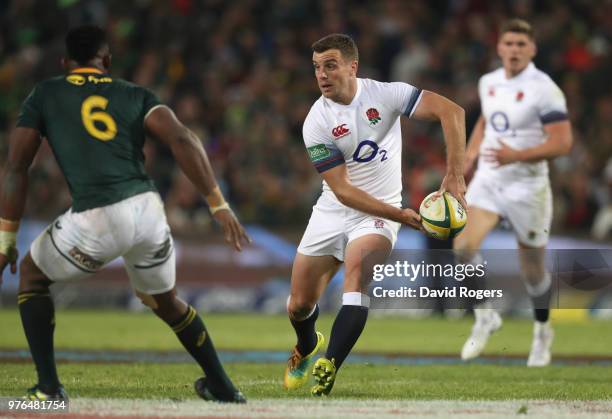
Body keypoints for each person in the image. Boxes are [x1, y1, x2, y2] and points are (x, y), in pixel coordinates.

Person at [0, 25, 250, 402]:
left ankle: (49, 388)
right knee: (166, 301)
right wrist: (219, 204)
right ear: (108, 62)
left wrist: (6, 238)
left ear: (65, 63)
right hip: (149, 210)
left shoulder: (47, 93)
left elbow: (17, 168)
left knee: (34, 279)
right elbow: (182, 138)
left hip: (98, 215)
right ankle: (223, 386)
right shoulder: (134, 94)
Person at [283, 33, 466, 396]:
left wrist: (455, 173)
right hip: (335, 210)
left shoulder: (386, 95)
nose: (322, 75)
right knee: (299, 304)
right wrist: (402, 215)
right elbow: (344, 191)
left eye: (330, 65)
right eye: (317, 68)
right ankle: (307, 346)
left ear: (353, 66)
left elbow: (452, 111)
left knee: (356, 274)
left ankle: (329, 364)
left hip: (375, 218)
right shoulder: (316, 122)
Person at [456, 19, 573, 366]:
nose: (515, 50)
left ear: (532, 49)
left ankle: (542, 331)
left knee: (533, 271)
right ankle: (485, 316)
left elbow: (562, 142)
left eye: (522, 44)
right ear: (499, 47)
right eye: (509, 43)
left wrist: (516, 155)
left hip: (528, 186)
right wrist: (471, 154)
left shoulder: (545, 88)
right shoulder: (488, 82)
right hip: (491, 179)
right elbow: (486, 121)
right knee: (463, 247)